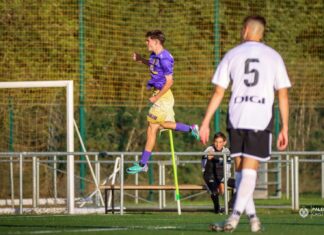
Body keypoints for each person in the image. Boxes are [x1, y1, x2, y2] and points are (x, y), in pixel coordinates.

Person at [199, 15, 291, 232]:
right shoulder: (274, 56)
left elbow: (219, 92)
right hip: (260, 117)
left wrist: (205, 122)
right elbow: (283, 95)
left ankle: (236, 218)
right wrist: (284, 126)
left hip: (237, 116)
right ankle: (248, 218)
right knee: (245, 172)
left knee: (242, 172)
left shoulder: (233, 54)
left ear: (247, 30)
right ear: (262, 32)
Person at [126, 30, 199, 174]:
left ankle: (143, 164)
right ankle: (191, 129)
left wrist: (156, 97)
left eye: (148, 41)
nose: (146, 43)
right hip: (160, 94)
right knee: (162, 125)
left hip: (163, 96)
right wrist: (141, 59)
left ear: (155, 42)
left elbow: (170, 82)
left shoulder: (165, 58)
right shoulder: (154, 55)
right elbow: (154, 67)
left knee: (152, 127)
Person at [201, 132, 236, 213]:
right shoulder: (209, 150)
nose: (218, 144)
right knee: (214, 192)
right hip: (210, 176)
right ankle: (217, 209)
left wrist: (223, 181)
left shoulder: (227, 151)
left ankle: (229, 206)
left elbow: (227, 168)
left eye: (220, 142)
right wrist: (209, 160)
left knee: (241, 185)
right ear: (213, 142)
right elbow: (203, 168)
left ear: (224, 142)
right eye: (216, 142)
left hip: (223, 177)